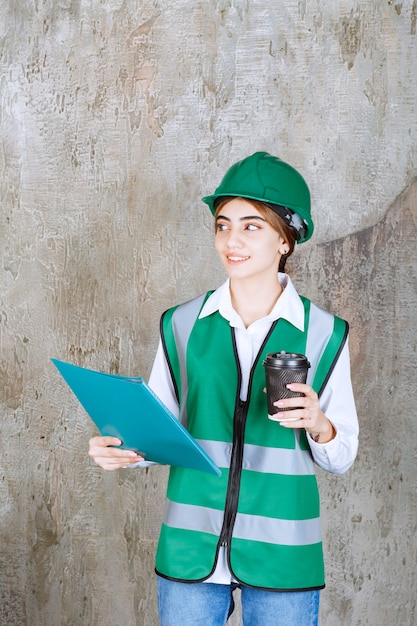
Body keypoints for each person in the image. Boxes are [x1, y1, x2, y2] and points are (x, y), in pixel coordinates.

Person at [89, 151, 359, 626]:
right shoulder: (182, 324)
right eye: (222, 224)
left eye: (251, 226)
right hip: (191, 545)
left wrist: (319, 424)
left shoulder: (324, 334)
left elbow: (343, 456)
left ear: (285, 238)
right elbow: (163, 432)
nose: (231, 240)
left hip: (282, 554)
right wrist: (124, 448)